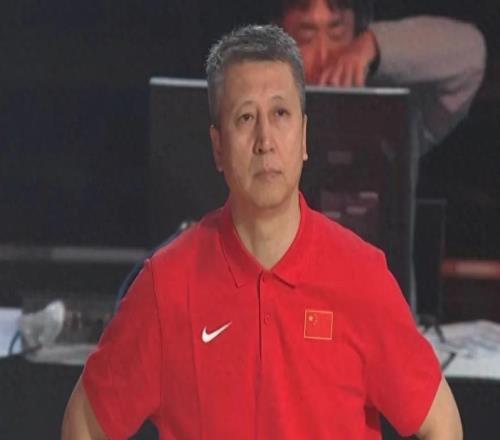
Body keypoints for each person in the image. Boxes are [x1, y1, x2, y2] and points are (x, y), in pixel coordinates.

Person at [62, 24, 462, 439]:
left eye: (280, 114)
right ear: (218, 146)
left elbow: (442, 424)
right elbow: (83, 426)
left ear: (303, 136)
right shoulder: (167, 286)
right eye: (245, 117)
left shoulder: (362, 278)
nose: (265, 140)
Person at [278, 0, 486, 154]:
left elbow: (471, 53)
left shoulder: (394, 120)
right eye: (306, 37)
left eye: (336, 34)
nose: (324, 55)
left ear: (358, 28)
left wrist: (374, 44)